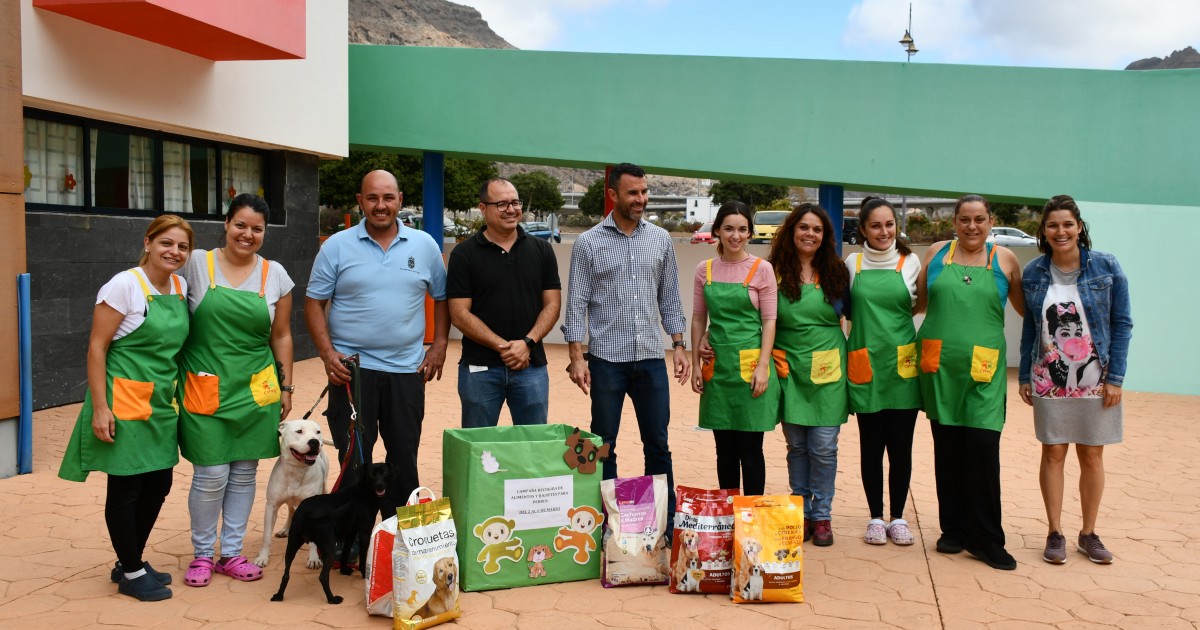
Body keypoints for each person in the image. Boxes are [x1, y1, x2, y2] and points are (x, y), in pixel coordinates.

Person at [59, 215, 193, 602]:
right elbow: (96, 347)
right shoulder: (124, 285)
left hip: (160, 401)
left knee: (159, 484)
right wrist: (100, 408)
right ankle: (132, 571)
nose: (174, 252)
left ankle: (128, 559)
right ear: (148, 242)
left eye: (182, 246)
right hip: (122, 399)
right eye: (166, 243)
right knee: (126, 488)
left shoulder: (180, 286)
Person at [305, 169, 449, 516]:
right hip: (352, 373)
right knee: (354, 459)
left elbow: (443, 298)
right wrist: (327, 353)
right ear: (360, 201)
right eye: (372, 198)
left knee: (404, 458)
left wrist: (440, 344)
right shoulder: (336, 246)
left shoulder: (425, 245)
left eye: (387, 197)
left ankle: (403, 536)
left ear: (400, 200)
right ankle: (353, 540)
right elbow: (313, 302)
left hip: (407, 370)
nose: (380, 205)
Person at [177, 194, 293, 587]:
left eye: (257, 228)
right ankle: (201, 554)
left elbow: (281, 335)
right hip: (205, 385)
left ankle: (231, 553)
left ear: (265, 232)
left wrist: (286, 386)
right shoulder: (197, 263)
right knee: (210, 474)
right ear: (226, 224)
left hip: (256, 389)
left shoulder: (276, 274)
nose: (247, 234)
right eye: (240, 225)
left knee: (244, 473)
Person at [562, 162, 689, 519]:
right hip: (606, 361)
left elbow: (669, 297)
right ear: (613, 195)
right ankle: (608, 524)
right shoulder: (588, 243)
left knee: (658, 444)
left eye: (644, 192)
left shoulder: (660, 239)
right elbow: (576, 303)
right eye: (633, 193)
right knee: (603, 444)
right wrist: (577, 357)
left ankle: (662, 521)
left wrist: (679, 345)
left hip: (651, 359)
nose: (641, 199)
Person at [1019, 194, 1132, 565]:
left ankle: (1089, 534)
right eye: (1053, 225)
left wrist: (1116, 378)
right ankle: (1054, 532)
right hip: (1049, 377)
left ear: (1079, 227)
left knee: (1092, 454)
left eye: (1067, 224)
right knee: (1053, 452)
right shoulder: (1034, 272)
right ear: (1044, 231)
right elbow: (1031, 326)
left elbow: (1122, 323)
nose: (1061, 231)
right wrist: (1025, 374)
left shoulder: (1107, 266)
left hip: (1098, 377)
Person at [916, 194, 1025, 570]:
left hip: (984, 370)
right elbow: (916, 304)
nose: (972, 226)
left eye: (979, 219)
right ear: (954, 223)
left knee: (982, 448)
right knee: (947, 449)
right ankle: (954, 529)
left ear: (991, 221)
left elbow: (1026, 310)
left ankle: (987, 538)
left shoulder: (1005, 260)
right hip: (940, 368)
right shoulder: (936, 254)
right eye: (964, 219)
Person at [447, 178, 561, 427]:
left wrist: (527, 343)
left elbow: (552, 305)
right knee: (479, 446)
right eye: (501, 204)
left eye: (515, 202)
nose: (511, 209)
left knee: (533, 444)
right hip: (480, 370)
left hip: (531, 368)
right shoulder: (463, 255)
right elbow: (458, 314)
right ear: (483, 208)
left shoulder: (542, 250)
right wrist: (506, 348)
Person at [844, 197, 922, 546]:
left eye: (889, 224)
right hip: (865, 365)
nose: (883, 231)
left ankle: (899, 517)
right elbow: (843, 311)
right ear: (863, 229)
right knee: (871, 447)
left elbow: (919, 305)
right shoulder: (853, 264)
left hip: (902, 367)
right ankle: (876, 516)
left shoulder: (911, 262)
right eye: (875, 225)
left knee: (901, 448)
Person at [770, 203, 850, 546]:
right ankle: (800, 511)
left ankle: (822, 515)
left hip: (828, 368)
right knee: (797, 446)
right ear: (791, 230)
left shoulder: (836, 272)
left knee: (824, 446)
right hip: (789, 367)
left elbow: (856, 316)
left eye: (817, 229)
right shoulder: (773, 271)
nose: (810, 234)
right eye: (804, 227)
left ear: (825, 236)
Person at [690, 201, 779, 495]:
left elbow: (769, 321)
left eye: (742, 229)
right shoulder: (704, 270)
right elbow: (699, 318)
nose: (735, 236)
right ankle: (728, 512)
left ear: (750, 233)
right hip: (718, 370)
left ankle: (751, 515)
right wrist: (696, 365)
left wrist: (763, 366)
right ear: (717, 230)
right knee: (724, 450)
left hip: (752, 369)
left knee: (751, 450)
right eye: (728, 228)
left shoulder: (762, 269)